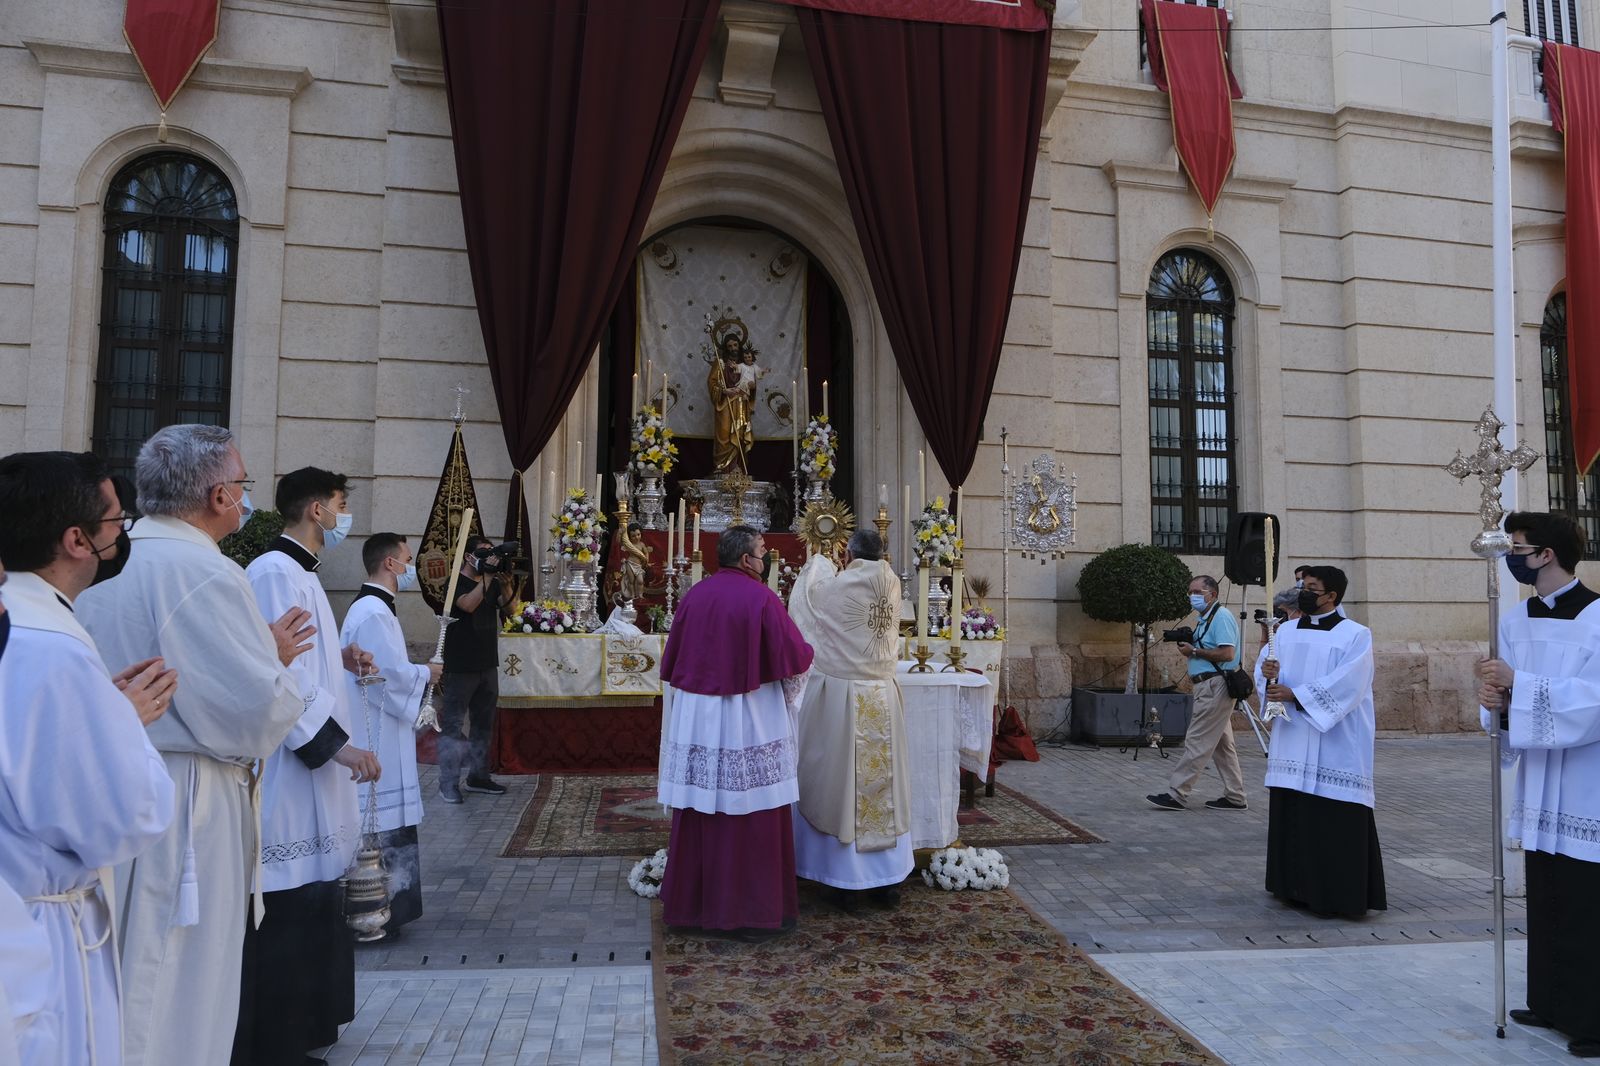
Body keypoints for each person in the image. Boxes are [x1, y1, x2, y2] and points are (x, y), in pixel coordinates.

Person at [77, 425, 314, 1066]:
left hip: (112, 778)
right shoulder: (204, 571)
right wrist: (274, 660)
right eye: (242, 485)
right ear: (217, 496)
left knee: (121, 962)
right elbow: (255, 711)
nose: (245, 498)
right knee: (176, 978)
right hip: (188, 799)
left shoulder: (110, 558)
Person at [0, 450, 177, 1066]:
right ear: (78, 540)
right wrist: (121, 726)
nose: (122, 534)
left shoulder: (20, 624)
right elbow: (123, 819)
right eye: (116, 522)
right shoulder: (53, 649)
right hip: (40, 935)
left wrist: (103, 716)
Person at [235, 467, 380, 1065]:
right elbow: (281, 677)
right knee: (290, 904)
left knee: (316, 895)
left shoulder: (301, 573)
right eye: (341, 504)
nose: (345, 516)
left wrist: (339, 657)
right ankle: (280, 1043)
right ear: (317, 509)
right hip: (292, 772)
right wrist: (339, 748)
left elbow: (303, 658)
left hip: (312, 771)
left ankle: (312, 1028)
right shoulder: (274, 571)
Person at [1475, 512, 1600, 1056]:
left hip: (1587, 780)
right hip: (1540, 781)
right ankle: (1550, 1000)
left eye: (1518, 549)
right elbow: (1505, 698)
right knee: (1547, 891)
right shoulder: (1513, 618)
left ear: (1546, 554)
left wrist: (1519, 684)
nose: (1511, 559)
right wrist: (1496, 703)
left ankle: (1591, 1018)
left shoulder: (1598, 617)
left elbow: (1594, 701)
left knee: (1586, 900)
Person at [657, 525, 814, 939]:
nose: (766, 558)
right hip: (749, 717)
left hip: (699, 719)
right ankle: (752, 914)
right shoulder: (761, 597)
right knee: (754, 808)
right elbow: (795, 659)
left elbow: (675, 660)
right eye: (763, 551)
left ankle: (692, 909)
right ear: (746, 559)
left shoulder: (695, 595)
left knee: (700, 807)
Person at [786, 529, 911, 909]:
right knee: (883, 789)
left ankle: (844, 882)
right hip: (882, 696)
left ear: (850, 555)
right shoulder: (892, 583)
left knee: (840, 785)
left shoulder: (839, 585)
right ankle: (886, 881)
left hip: (844, 700)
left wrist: (818, 562)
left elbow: (808, 602)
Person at [1256, 565, 1386, 918]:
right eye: (1302, 585)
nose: (1303, 592)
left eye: (1311, 588)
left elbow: (1351, 682)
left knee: (1332, 817)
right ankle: (1293, 888)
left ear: (1331, 596)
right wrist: (1268, 678)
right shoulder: (1285, 632)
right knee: (1294, 812)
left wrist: (1296, 695)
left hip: (1336, 741)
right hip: (1293, 737)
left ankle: (1336, 895)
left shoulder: (1355, 635)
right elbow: (1265, 671)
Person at [341, 532, 440, 935]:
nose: (410, 567)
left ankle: (387, 908)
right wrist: (426, 673)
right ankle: (379, 909)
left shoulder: (375, 608)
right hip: (376, 734)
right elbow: (383, 676)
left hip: (382, 730)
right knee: (381, 826)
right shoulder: (373, 613)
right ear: (389, 563)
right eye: (408, 559)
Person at [1147, 575, 1247, 812]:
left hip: (1214, 686)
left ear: (1212, 594)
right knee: (1222, 745)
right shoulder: (1206, 618)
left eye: (1197, 592)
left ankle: (1177, 793)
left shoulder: (1221, 617)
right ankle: (1235, 796)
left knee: (1198, 740)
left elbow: (1227, 653)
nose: (1192, 597)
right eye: (1190, 592)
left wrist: (1194, 652)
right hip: (1210, 686)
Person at [438, 535, 512, 804]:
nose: (488, 557)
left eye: (491, 552)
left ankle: (478, 777)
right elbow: (468, 605)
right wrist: (487, 577)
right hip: (461, 665)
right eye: (483, 553)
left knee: (483, 724)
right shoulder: (454, 582)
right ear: (469, 556)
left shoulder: (491, 581)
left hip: (487, 662)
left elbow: (512, 612)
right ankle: (448, 782)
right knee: (454, 724)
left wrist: (506, 585)